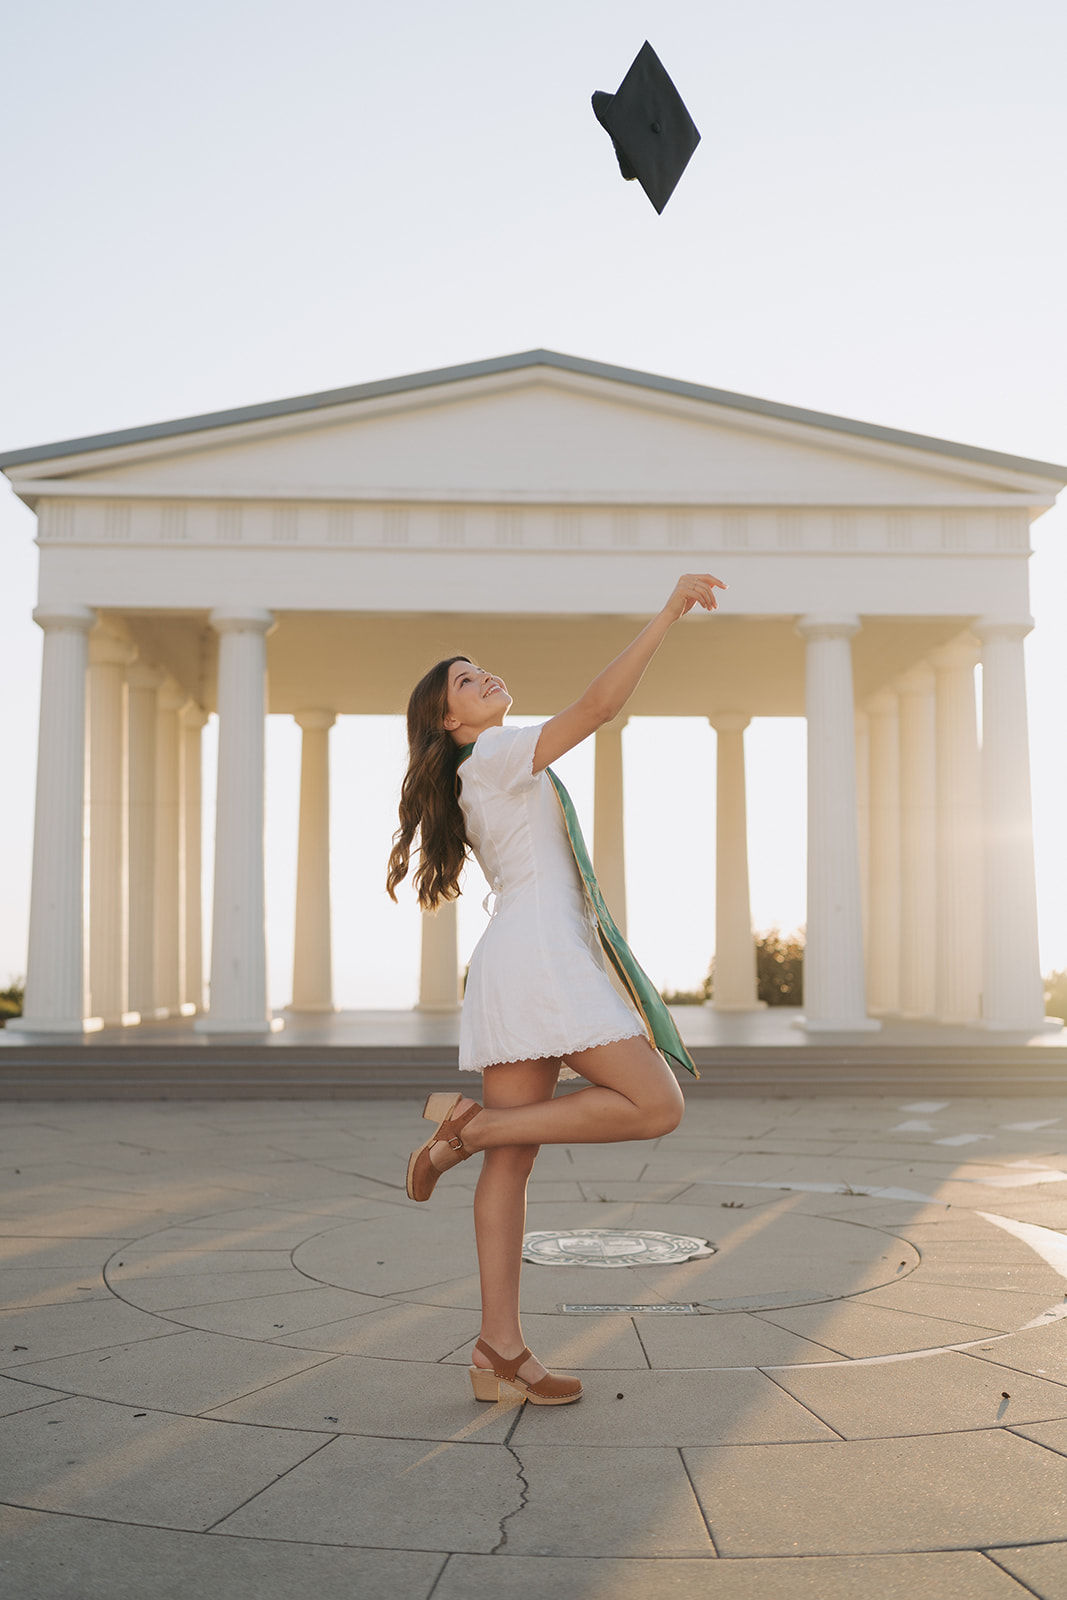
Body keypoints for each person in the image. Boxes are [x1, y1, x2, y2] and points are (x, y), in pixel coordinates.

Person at [386, 573, 726, 1406]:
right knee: (655, 1106)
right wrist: (666, 613)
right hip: (541, 961)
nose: (484, 678)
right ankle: (467, 1130)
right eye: (466, 680)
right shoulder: (497, 754)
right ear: (448, 718)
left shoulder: (475, 770)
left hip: (515, 959)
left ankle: (497, 1350)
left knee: (512, 1162)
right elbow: (597, 707)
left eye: (481, 668)